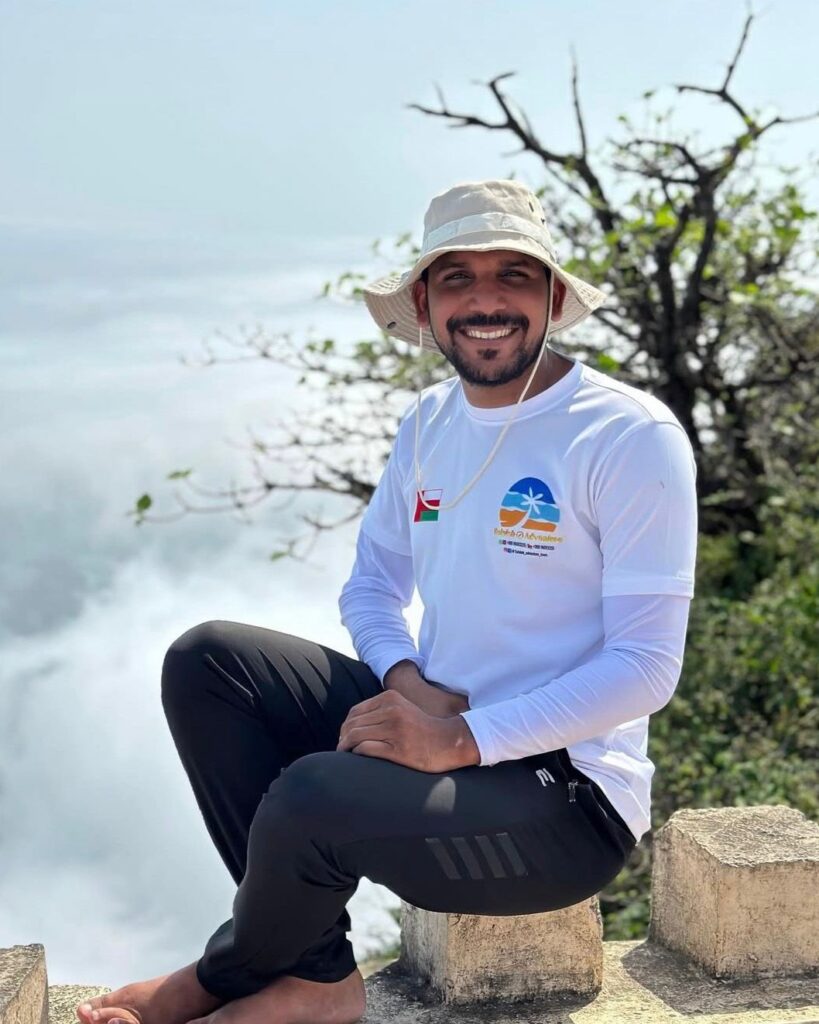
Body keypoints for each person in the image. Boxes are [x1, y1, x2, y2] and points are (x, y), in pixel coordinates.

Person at [75, 179, 698, 1024]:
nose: (485, 300)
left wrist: (462, 739)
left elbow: (645, 667)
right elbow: (372, 585)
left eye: (513, 274)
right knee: (209, 660)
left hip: (562, 802)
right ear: (425, 304)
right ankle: (317, 979)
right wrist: (408, 685)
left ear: (553, 298)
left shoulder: (626, 435)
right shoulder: (430, 421)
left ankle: (225, 972)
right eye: (457, 278)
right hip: (441, 733)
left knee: (313, 794)